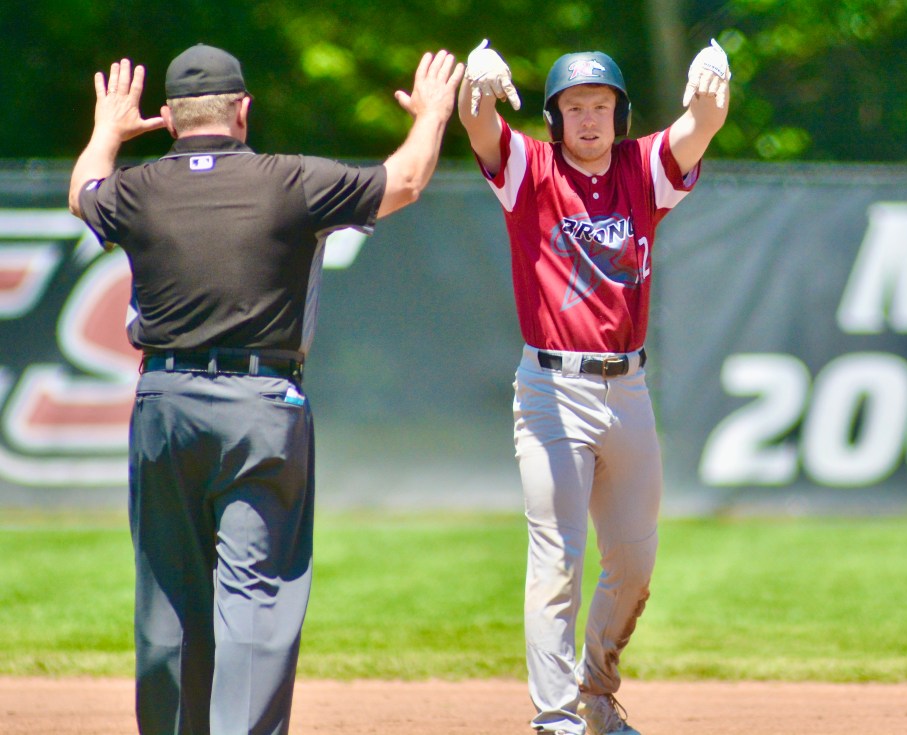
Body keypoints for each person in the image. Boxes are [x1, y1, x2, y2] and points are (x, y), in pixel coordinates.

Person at [68, 44, 464, 735]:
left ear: (167, 117)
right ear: (243, 110)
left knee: (168, 598)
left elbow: (82, 194)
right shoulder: (289, 181)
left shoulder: (138, 190)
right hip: (260, 406)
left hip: (164, 402)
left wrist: (107, 128)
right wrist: (432, 114)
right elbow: (404, 181)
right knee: (252, 597)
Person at [458, 38, 730, 735]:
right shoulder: (533, 169)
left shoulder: (642, 168)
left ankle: (596, 689)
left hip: (628, 389)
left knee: (635, 562)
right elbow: (480, 127)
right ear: (553, 118)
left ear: (620, 114)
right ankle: (556, 719)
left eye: (601, 106)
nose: (588, 119)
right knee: (556, 556)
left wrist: (711, 84)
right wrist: (477, 87)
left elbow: (700, 129)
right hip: (551, 389)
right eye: (574, 106)